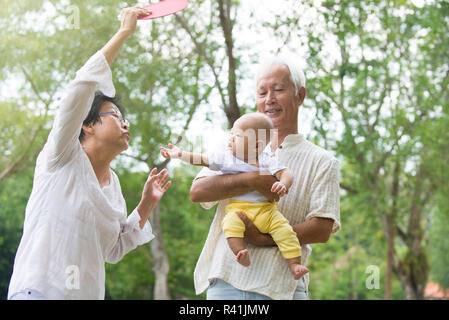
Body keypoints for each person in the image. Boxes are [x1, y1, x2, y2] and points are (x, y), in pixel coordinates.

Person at [7, 6, 171, 300]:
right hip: (39, 291)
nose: (125, 122)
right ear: (88, 124)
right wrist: (124, 33)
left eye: (125, 118)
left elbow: (113, 250)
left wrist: (146, 204)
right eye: (114, 115)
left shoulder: (115, 186)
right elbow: (80, 88)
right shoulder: (61, 155)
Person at [189, 55, 341, 300]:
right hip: (227, 281)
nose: (269, 99)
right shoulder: (235, 145)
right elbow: (198, 192)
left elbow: (322, 228)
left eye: (278, 90)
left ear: (300, 96)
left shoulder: (322, 160)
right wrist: (253, 179)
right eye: (262, 93)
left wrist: (263, 239)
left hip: (283, 287)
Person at [160, 113, 309, 280]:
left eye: (237, 136)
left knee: (285, 231)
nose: (230, 139)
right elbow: (202, 159)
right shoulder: (227, 158)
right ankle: (240, 252)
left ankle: (294, 263)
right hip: (238, 209)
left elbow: (286, 173)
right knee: (230, 224)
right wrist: (179, 154)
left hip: (267, 212)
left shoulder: (266, 160)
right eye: (231, 134)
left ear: (257, 146)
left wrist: (283, 184)